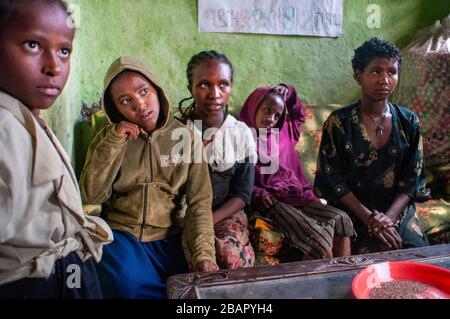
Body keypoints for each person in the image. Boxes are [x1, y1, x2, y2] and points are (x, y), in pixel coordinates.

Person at [0, 0, 113, 298]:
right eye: (33, 44)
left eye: (64, 50)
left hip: (67, 272)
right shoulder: (4, 127)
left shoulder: (26, 116)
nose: (54, 67)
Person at [80, 56, 218, 298]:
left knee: (183, 290)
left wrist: (205, 256)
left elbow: (200, 204)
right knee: (125, 285)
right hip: (122, 235)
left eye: (144, 91)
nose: (140, 104)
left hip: (167, 237)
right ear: (115, 109)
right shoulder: (108, 139)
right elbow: (91, 194)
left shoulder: (186, 137)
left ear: (157, 90)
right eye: (126, 101)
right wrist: (114, 140)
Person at [314, 37, 429, 255]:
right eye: (376, 71)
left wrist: (388, 219)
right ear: (358, 75)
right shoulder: (339, 123)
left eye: (392, 72)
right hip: (353, 211)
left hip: (395, 212)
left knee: (418, 256)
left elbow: (412, 180)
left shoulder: (409, 122)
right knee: (372, 258)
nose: (385, 80)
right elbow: (333, 182)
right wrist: (369, 218)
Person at [240, 85, 355, 262]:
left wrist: (289, 92)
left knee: (342, 219)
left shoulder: (285, 131)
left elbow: (298, 114)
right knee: (320, 238)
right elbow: (239, 182)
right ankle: (322, 287)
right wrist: (259, 193)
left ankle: (343, 275)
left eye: (277, 115)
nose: (271, 119)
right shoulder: (242, 139)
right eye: (267, 110)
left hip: (299, 197)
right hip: (271, 203)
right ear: (254, 106)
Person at [178, 50, 256, 269]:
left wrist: (207, 222)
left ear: (231, 87)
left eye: (223, 84)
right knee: (191, 255)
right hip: (183, 215)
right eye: (204, 85)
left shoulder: (240, 134)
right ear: (190, 88)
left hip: (225, 213)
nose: (215, 94)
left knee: (229, 255)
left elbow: (242, 194)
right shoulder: (176, 131)